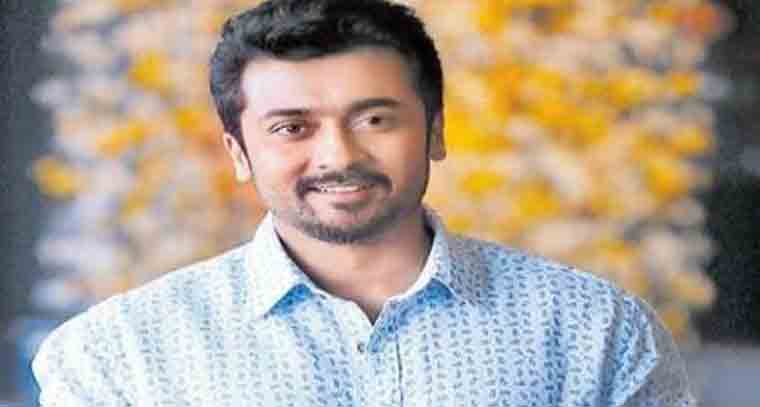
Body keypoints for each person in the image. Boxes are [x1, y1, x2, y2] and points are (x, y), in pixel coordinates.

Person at [32, 0, 696, 405]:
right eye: (292, 127)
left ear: (435, 130)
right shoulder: (120, 354)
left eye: (375, 119)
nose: (338, 155)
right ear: (237, 151)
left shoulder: (594, 330)